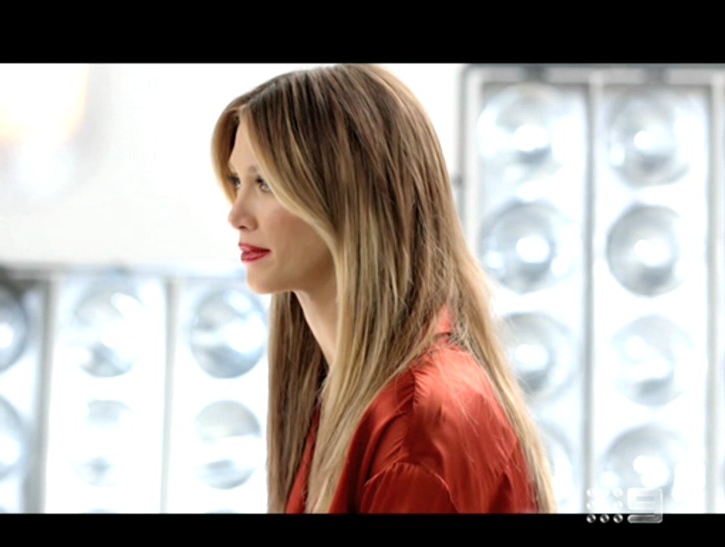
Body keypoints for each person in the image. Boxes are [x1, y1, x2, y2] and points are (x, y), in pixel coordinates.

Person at [211, 64, 556, 513]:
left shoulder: (419, 428)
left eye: (266, 183)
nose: (236, 215)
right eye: (237, 181)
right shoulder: (351, 396)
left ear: (353, 198)